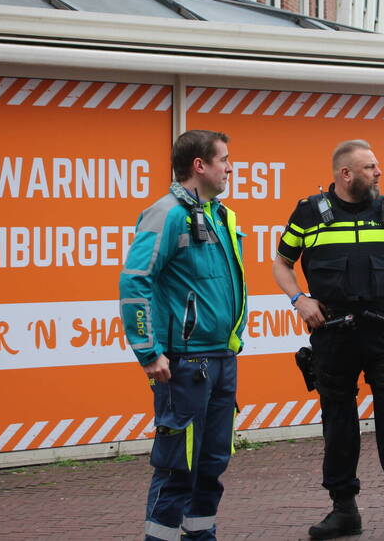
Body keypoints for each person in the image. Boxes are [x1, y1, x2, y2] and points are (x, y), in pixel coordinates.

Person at [272, 140, 384, 541]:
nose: (378, 173)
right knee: (339, 428)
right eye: (370, 167)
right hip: (333, 335)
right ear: (345, 174)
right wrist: (299, 299)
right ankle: (344, 511)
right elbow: (281, 262)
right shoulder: (309, 214)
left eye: (377, 166)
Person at [119, 130, 247, 541]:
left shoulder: (219, 214)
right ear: (200, 165)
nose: (229, 167)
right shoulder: (167, 213)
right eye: (224, 159)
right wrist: (148, 352)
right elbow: (135, 283)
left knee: (211, 464)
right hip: (185, 364)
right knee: (178, 468)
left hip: (221, 360)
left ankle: (200, 535)